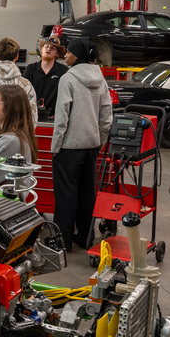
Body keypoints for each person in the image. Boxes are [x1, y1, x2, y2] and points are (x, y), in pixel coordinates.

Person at [51, 37, 113, 251]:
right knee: (88, 194)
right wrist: (99, 142)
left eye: (68, 52)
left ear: (77, 55)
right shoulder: (101, 79)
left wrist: (56, 146)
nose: (65, 55)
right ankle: (85, 238)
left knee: (65, 195)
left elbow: (62, 118)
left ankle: (63, 241)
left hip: (69, 147)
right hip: (91, 147)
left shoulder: (68, 79)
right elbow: (107, 118)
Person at [22, 36, 69, 121]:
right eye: (46, 46)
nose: (49, 49)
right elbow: (22, 92)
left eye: (53, 48)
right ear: (41, 49)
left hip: (55, 118)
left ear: (57, 53)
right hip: (31, 117)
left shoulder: (63, 71)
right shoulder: (31, 69)